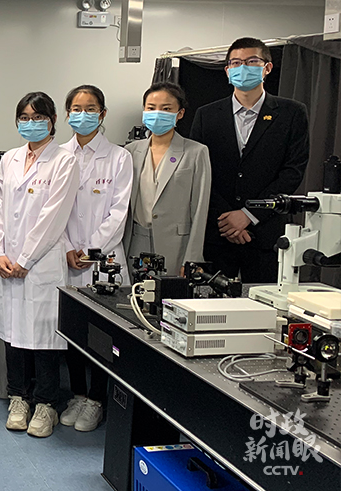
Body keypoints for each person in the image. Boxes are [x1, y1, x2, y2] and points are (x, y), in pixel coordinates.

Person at [0, 92, 78, 438]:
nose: (31, 123)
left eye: (38, 117)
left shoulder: (64, 161)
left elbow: (54, 216)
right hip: (7, 261)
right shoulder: (10, 158)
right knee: (12, 333)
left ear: (52, 121)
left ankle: (46, 403)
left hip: (41, 263)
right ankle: (18, 397)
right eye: (24, 117)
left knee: (43, 336)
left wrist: (25, 259)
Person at [190, 37, 310, 283]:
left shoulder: (292, 113)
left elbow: (292, 172)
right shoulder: (206, 115)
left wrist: (248, 214)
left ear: (267, 67)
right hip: (217, 232)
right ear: (227, 70)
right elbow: (198, 173)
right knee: (210, 302)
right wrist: (227, 219)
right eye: (235, 63)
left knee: (265, 301)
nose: (242, 67)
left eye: (252, 61)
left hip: (267, 233)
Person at [59, 85, 132, 433]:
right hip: (66, 255)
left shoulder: (119, 157)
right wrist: (67, 247)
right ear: (67, 114)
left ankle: (97, 399)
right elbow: (54, 212)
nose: (82, 115)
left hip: (103, 260)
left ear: (102, 114)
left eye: (90, 109)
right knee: (73, 329)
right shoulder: (58, 155)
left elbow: (119, 212)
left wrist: (91, 251)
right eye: (76, 108)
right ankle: (77, 393)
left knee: (103, 333)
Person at [125, 82, 211, 276]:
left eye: (166, 109)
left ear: (180, 113)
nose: (157, 114)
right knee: (134, 291)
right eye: (151, 108)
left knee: (169, 293)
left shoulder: (196, 152)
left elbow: (200, 208)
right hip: (136, 239)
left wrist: (192, 258)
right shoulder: (131, 151)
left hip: (176, 244)